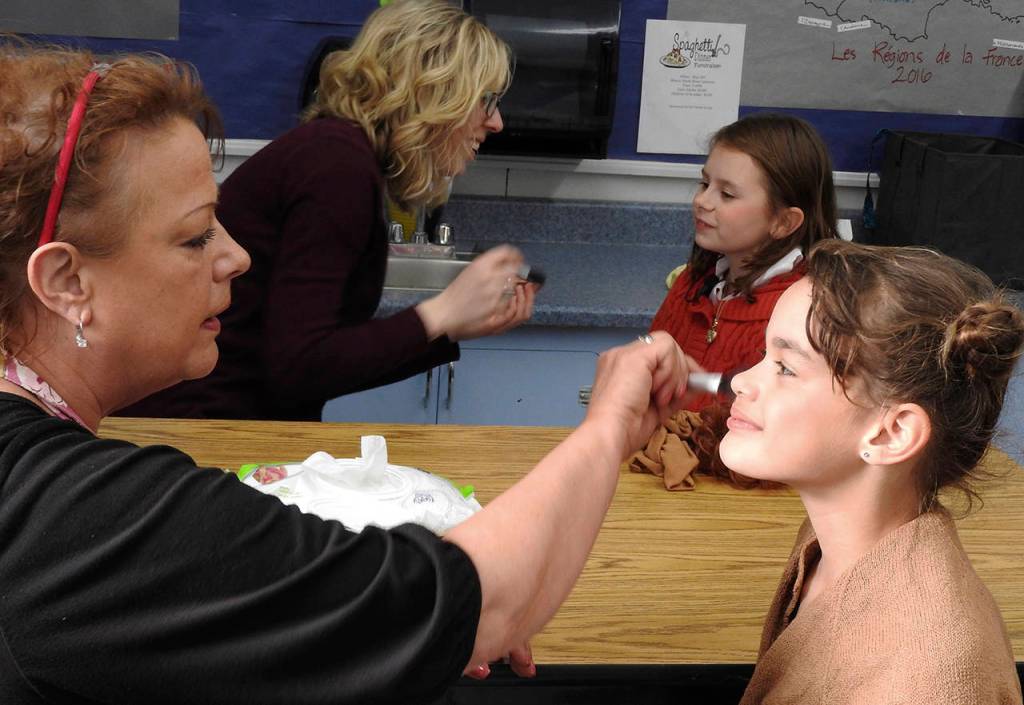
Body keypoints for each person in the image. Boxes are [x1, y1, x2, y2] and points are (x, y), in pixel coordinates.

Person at [0, 41, 692, 703]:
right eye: (195, 235)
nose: (236, 258)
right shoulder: (92, 519)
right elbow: (476, 599)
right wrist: (608, 427)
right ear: (64, 279)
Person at [120, 0, 537, 421]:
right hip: (204, 432)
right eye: (485, 99)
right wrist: (440, 313)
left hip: (229, 421)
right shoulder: (336, 169)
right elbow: (299, 367)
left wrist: (450, 327)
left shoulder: (337, 156)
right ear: (433, 93)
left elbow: (313, 363)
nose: (496, 121)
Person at [723, 240, 1024, 703]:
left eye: (784, 367)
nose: (742, 380)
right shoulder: (834, 544)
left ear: (891, 434)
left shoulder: (927, 683)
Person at [649, 112, 838, 411]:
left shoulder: (800, 317)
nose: (702, 201)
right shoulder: (693, 282)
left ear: (783, 222)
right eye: (704, 184)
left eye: (726, 194)